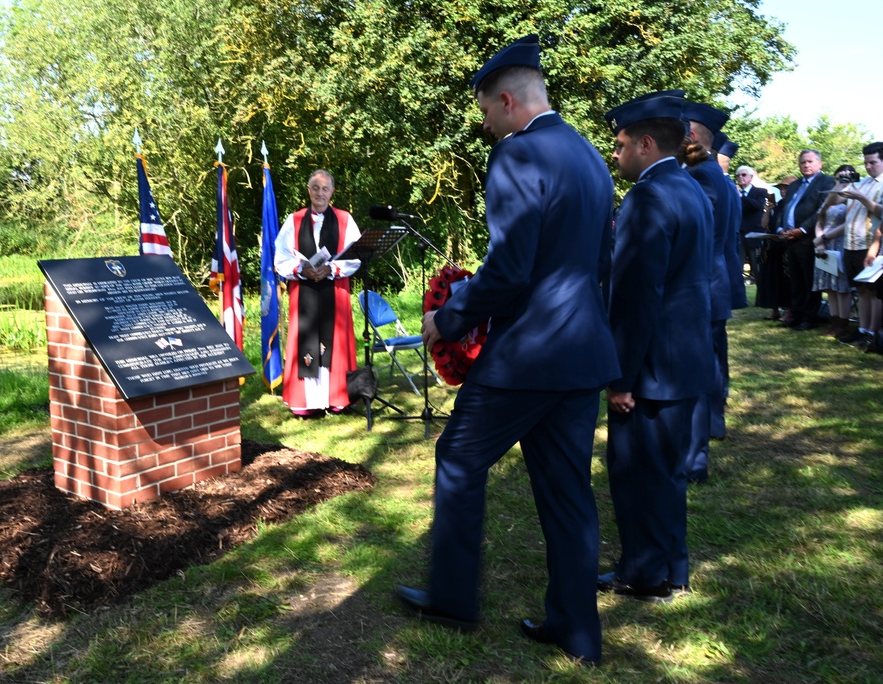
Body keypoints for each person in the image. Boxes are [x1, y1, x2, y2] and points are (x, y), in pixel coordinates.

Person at [395, 34, 619, 666]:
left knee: (458, 457)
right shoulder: (589, 156)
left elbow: (511, 268)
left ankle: (453, 597)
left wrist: (449, 315)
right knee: (568, 490)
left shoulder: (517, 157)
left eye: (488, 112)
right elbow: (600, 261)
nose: (487, 125)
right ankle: (576, 631)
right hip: (581, 352)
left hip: (529, 354)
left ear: (508, 99)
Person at [597, 90, 714, 604]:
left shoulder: (647, 196)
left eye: (621, 145)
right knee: (668, 472)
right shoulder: (691, 188)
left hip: (651, 368)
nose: (616, 156)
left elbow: (638, 297)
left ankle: (644, 575)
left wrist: (621, 378)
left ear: (646, 144)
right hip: (685, 360)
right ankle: (673, 567)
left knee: (637, 473)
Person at [682, 101, 740, 476]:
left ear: (691, 134)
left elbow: (695, 234)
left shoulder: (703, 174)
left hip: (702, 284)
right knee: (713, 358)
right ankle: (712, 423)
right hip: (713, 283)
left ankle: (696, 452)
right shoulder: (713, 173)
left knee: (700, 367)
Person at [274, 170, 361, 416]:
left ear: (332, 191)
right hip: (305, 293)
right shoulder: (293, 220)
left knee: (335, 342)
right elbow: (280, 258)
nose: (319, 193)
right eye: (315, 188)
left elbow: (356, 257)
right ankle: (307, 402)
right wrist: (301, 270)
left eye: (325, 189)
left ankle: (336, 397)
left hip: (334, 290)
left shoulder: (345, 220)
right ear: (308, 190)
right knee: (306, 341)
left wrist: (331, 268)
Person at [775, 150, 836, 330]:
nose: (806, 165)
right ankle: (797, 313)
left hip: (809, 239)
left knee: (809, 280)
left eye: (810, 161)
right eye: (803, 162)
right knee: (795, 279)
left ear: (820, 163)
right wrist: (780, 228)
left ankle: (810, 317)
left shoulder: (826, 182)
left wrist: (801, 230)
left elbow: (821, 210)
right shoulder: (794, 185)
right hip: (790, 239)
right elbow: (784, 208)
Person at [836, 142, 883, 352]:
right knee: (861, 291)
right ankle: (862, 330)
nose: (868, 166)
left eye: (873, 162)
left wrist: (862, 198)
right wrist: (841, 183)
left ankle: (873, 333)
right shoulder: (862, 182)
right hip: (851, 243)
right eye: (865, 162)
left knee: (875, 293)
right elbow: (835, 201)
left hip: (871, 244)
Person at [812, 165, 858, 338]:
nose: (844, 179)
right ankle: (833, 321)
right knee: (829, 287)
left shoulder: (854, 196)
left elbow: (848, 224)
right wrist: (820, 241)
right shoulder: (831, 195)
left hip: (841, 243)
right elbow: (820, 218)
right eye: (840, 177)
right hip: (824, 244)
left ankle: (843, 324)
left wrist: (824, 238)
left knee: (842, 287)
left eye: (848, 176)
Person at [755, 175, 797, 321]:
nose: (783, 191)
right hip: (773, 245)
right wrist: (767, 211)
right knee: (771, 277)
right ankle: (774, 309)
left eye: (786, 188)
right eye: (782, 189)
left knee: (786, 279)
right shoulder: (778, 205)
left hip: (787, 245)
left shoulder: (795, 205)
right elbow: (763, 224)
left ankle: (789, 310)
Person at [737, 165, 769, 282]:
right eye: (738, 175)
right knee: (737, 270)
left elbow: (757, 206)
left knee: (757, 270)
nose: (740, 177)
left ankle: (761, 299)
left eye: (743, 175)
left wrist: (742, 197)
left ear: (751, 177)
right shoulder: (736, 193)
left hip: (754, 235)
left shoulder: (760, 191)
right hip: (739, 236)